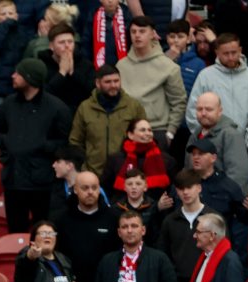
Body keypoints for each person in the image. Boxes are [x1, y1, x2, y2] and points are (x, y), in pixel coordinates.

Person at [0, 57, 72, 233]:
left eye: (18, 73)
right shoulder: (8, 104)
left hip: (42, 183)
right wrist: (8, 143)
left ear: (30, 78)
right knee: (15, 233)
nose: (13, 76)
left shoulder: (57, 108)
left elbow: (64, 143)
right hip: (13, 180)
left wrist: (41, 145)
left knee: (43, 232)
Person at [117, 16, 187, 147]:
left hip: (157, 130)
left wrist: (170, 132)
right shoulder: (121, 66)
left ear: (152, 34)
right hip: (127, 130)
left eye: (142, 31)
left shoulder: (168, 66)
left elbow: (179, 102)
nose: (137, 35)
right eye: (133, 32)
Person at [187, 136, 248, 267]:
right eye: (193, 154)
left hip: (219, 250)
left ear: (213, 158)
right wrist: (160, 206)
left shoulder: (228, 186)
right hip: (188, 249)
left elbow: (245, 221)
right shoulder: (185, 183)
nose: (196, 157)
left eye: (201, 154)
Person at [70, 64, 147, 178]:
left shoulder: (133, 106)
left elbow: (144, 138)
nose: (113, 85)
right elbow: (75, 141)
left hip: (125, 174)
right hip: (93, 173)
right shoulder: (85, 108)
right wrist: (82, 167)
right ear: (98, 83)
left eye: (116, 81)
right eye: (108, 82)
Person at [55, 170, 118, 282]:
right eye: (85, 188)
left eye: (94, 188)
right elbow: (57, 254)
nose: (90, 192)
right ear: (75, 189)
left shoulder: (113, 217)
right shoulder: (62, 219)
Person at [185, 33, 248, 134]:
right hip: (213, 140)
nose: (230, 57)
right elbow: (193, 111)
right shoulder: (205, 76)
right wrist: (205, 137)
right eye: (226, 53)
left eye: (234, 52)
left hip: (247, 140)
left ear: (240, 50)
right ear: (217, 53)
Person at [155, 169, 219, 282]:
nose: (185, 192)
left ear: (199, 188)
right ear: (176, 191)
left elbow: (222, 253)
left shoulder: (214, 219)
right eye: (181, 188)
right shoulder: (169, 221)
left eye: (189, 187)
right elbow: (163, 255)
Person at [186, 91, 248, 194]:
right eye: (199, 109)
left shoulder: (231, 135)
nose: (203, 113)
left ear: (220, 111)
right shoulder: (194, 136)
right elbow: (188, 170)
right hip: (197, 197)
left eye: (208, 109)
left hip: (223, 198)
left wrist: (219, 197)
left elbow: (238, 174)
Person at [101, 118, 175, 200]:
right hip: (121, 206)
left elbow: (172, 190)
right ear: (130, 135)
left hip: (157, 206)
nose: (148, 133)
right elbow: (106, 188)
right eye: (143, 130)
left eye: (149, 130)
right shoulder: (115, 159)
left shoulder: (166, 160)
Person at [164, 18, 205, 97]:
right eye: (172, 36)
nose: (176, 40)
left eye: (180, 37)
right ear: (167, 38)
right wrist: (167, 60)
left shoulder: (198, 63)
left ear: (188, 39)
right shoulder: (159, 60)